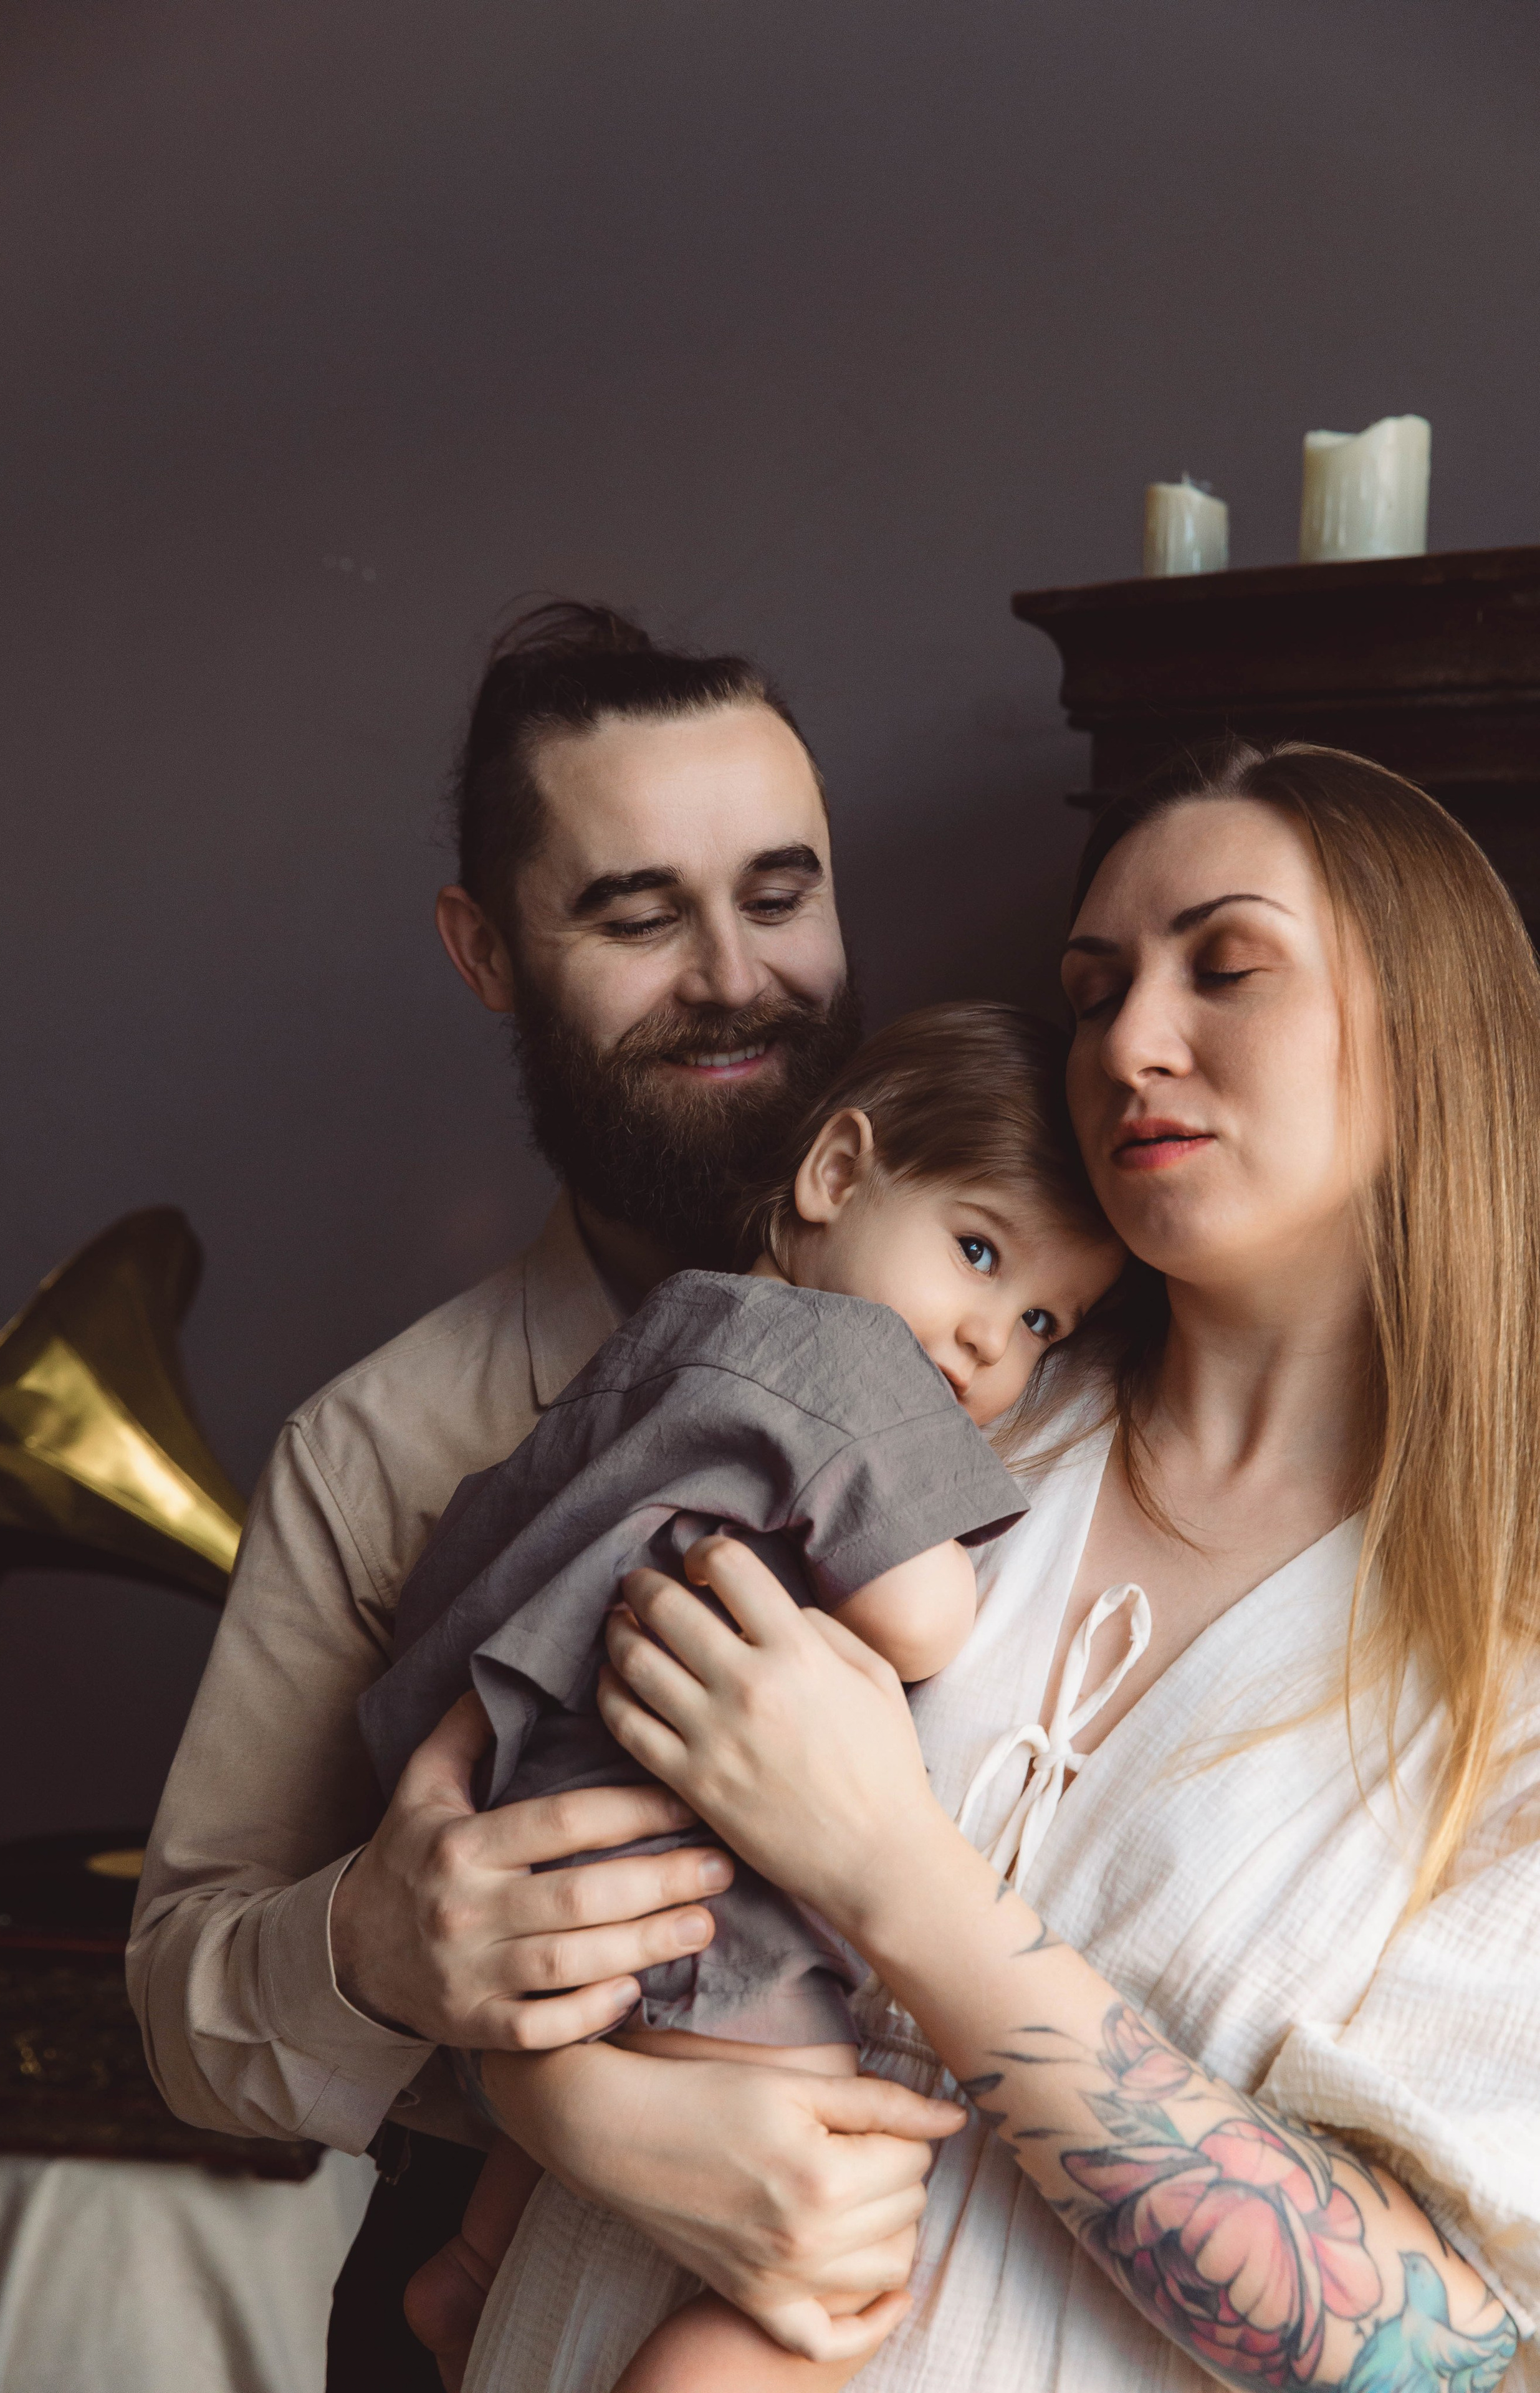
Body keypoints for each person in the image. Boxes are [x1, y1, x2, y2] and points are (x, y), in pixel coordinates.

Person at [457, 743, 1540, 2393]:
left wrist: (896, 1869)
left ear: (1434, 1039)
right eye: (1095, 991)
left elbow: (1450, 2359)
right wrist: (559, 2095)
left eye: (1225, 968)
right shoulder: (895, 1407)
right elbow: (529, 1835)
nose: (1129, 1047)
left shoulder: (1504, 1659)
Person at [129, 601, 958, 2378]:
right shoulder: (372, 1443)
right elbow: (183, 1993)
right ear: (488, 949)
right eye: (637, 914)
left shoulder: (1049, 1325)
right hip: (483, 2294)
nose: (737, 976)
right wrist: (373, 1946)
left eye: (779, 893)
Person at [360, 1003, 1122, 2389]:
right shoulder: (852, 1362)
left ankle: (474, 2268)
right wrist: (949, 1558)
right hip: (674, 1864)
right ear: (835, 1173)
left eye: (1038, 1321)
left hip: (543, 1821)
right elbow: (919, 1611)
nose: (984, 1343)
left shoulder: (672, 1331)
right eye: (973, 1250)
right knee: (833, 2218)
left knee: (623, 2088)